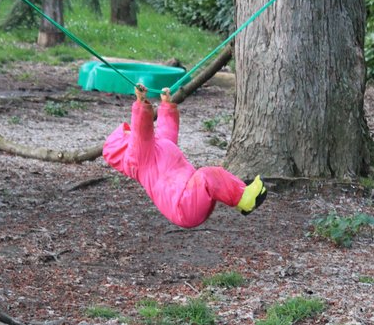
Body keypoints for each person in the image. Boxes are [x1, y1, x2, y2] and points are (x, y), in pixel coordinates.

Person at [103, 85, 267, 228]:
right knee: (208, 175)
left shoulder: (158, 147)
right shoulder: (138, 159)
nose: (130, 131)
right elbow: (141, 133)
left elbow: (166, 130)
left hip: (189, 196)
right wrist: (140, 104)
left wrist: (166, 104)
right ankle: (245, 199)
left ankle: (242, 198)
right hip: (181, 204)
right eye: (127, 133)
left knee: (211, 177)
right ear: (123, 145)